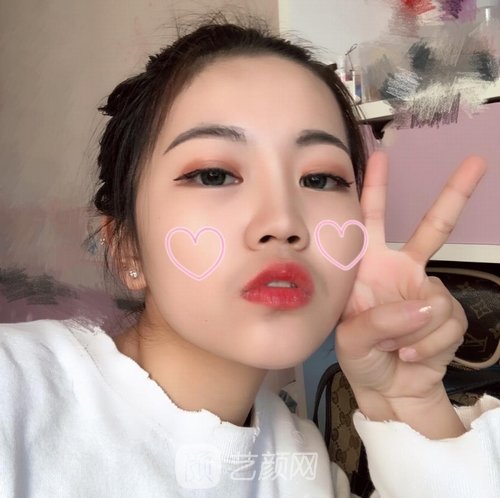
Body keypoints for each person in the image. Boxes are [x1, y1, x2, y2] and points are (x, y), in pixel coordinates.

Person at [1, 16, 499, 498]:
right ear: (127, 245)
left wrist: (408, 404)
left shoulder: (301, 466)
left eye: (319, 178)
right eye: (214, 175)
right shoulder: (17, 390)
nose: (282, 222)